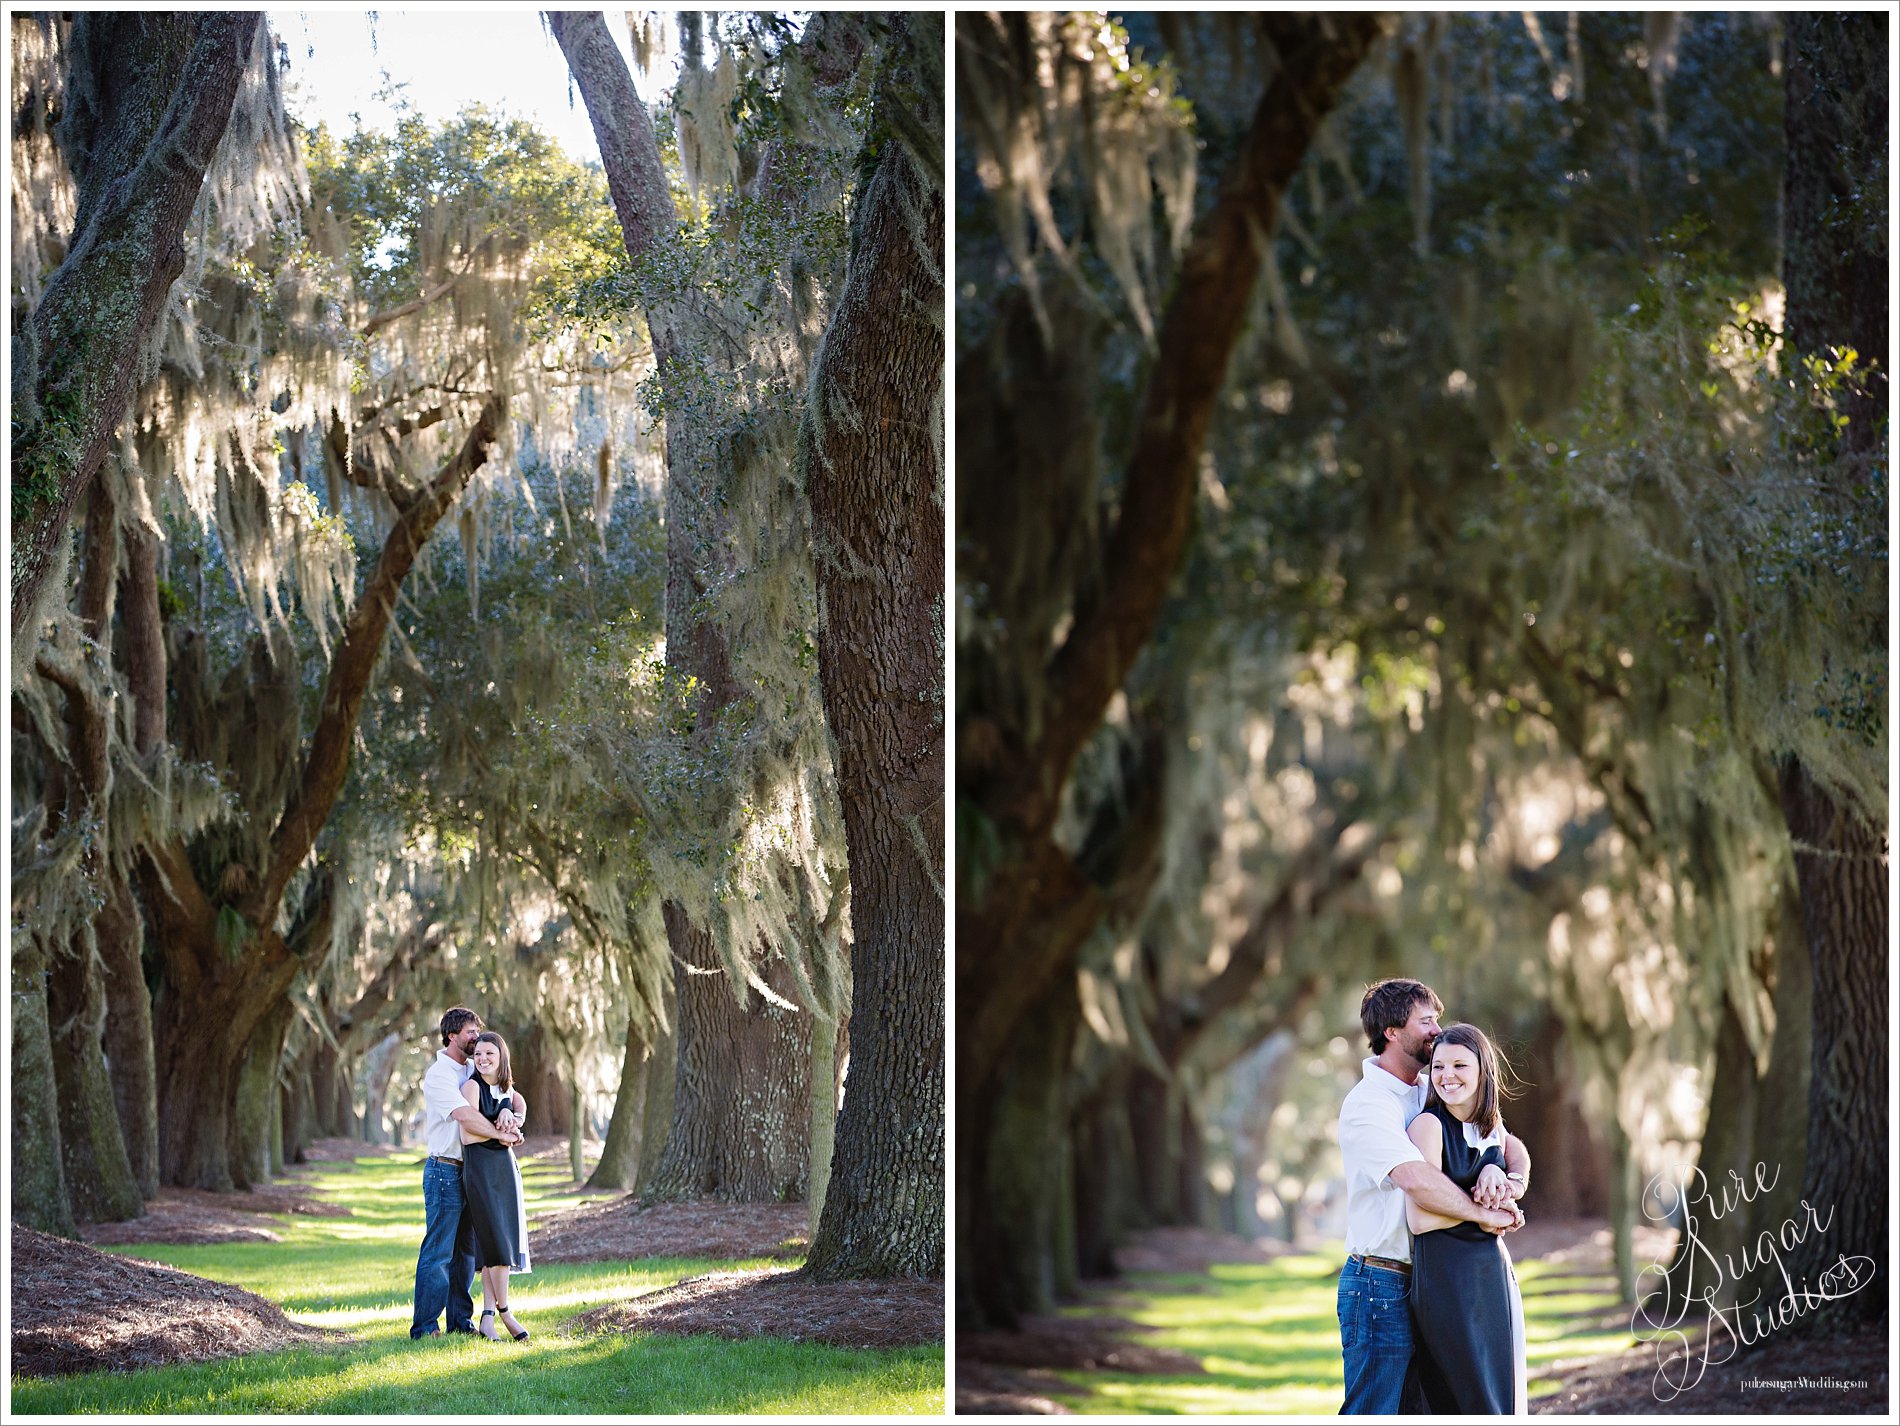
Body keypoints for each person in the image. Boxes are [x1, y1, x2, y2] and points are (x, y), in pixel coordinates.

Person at [1336, 979, 1529, 1414]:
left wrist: (1506, 1176)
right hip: (1380, 1282)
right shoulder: (1369, 1104)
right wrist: (1486, 1215)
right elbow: (1416, 1179)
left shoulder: (1432, 1086)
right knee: (1374, 1411)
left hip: (1431, 1279)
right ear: (1391, 1031)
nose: (1436, 1030)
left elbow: (1503, 1138)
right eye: (1426, 1020)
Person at [1405, 1023, 1529, 1414]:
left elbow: (1515, 1152)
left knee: (1500, 1394)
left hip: (1492, 1277)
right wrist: (1486, 1215)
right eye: (1438, 1067)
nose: (1446, 1076)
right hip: (1447, 1282)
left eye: (1459, 1065)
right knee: (1464, 1398)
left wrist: (1509, 1180)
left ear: (1483, 1071)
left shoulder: (1488, 1125)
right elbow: (1419, 1221)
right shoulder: (1429, 1126)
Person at [411, 1007, 523, 1340]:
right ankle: (425, 1326)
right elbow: (464, 1115)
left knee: (466, 1254)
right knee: (440, 1252)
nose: (477, 1038)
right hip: (444, 1171)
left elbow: (512, 1095)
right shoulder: (439, 1074)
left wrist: (514, 1118)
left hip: (474, 1173)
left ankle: (460, 1321)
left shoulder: (476, 1066)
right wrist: (501, 1134)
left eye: (478, 1032)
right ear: (452, 1035)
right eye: (470, 1033)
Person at [461, 1030, 532, 1341]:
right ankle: (506, 1312)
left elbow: (520, 1113)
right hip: (480, 1173)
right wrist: (502, 1134)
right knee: (499, 1248)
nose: (482, 1059)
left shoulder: (509, 1091)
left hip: (505, 1171)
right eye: (478, 1054)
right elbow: (467, 1136)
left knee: (495, 1248)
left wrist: (510, 1117)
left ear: (502, 1056)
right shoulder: (471, 1088)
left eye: (489, 1053)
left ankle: (487, 1318)